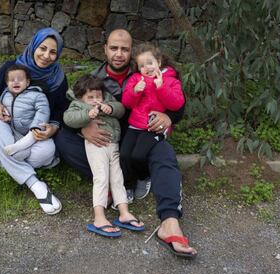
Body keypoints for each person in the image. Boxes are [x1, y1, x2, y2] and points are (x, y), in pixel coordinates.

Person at [55, 29, 197, 258]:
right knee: (62, 137)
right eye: (114, 48)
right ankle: (111, 185)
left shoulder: (146, 68)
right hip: (106, 138)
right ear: (105, 50)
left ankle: (169, 222)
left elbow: (178, 103)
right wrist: (83, 127)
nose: (119, 53)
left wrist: (170, 117)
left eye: (124, 49)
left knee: (164, 153)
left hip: (141, 131)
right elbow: (70, 106)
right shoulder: (94, 77)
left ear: (131, 52)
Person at [0, 27, 69, 215]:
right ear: (33, 46)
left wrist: (53, 128)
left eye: (53, 52)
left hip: (36, 135)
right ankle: (36, 185)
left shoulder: (58, 79)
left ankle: (4, 161)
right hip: (9, 130)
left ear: (58, 55)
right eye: (42, 48)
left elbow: (59, 111)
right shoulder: (12, 67)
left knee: (47, 153)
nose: (46, 55)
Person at [63, 74, 144, 237]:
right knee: (101, 178)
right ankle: (99, 217)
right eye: (90, 97)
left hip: (113, 144)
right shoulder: (77, 105)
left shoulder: (107, 100)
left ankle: (124, 212)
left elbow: (121, 109)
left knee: (117, 178)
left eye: (98, 96)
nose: (95, 100)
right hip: (96, 146)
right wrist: (88, 115)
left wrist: (111, 108)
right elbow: (69, 119)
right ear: (81, 97)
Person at [120, 43, 185, 194]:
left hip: (154, 127)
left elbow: (176, 104)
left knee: (138, 155)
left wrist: (161, 88)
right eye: (142, 65)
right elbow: (126, 103)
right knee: (124, 154)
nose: (147, 67)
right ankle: (129, 185)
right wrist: (135, 92)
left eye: (150, 63)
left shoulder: (171, 80)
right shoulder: (136, 79)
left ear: (159, 62)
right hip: (135, 125)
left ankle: (144, 177)